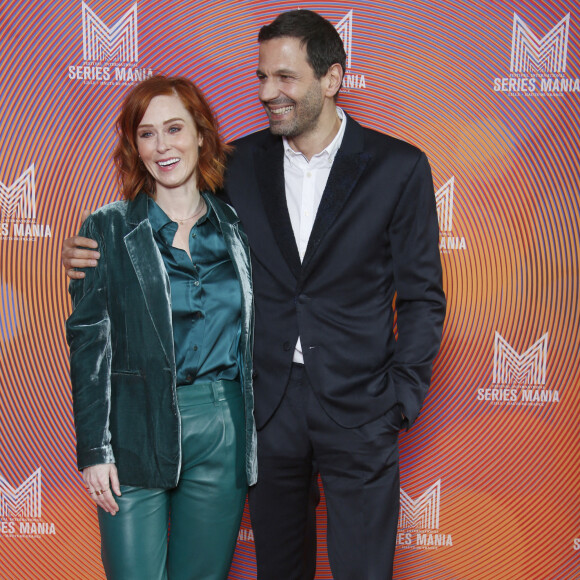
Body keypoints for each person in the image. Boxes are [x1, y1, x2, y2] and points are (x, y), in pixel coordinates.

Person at [63, 9, 445, 580]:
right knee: (280, 569)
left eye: (284, 78)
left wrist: (400, 398)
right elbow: (165, 208)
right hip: (265, 411)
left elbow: (422, 298)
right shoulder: (237, 165)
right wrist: (85, 253)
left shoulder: (399, 167)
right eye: (262, 77)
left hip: (363, 406)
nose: (268, 92)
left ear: (331, 79)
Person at [65, 75, 257, 580]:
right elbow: (89, 345)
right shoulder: (105, 228)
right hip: (135, 425)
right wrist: (94, 449)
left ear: (201, 134)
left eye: (174, 128)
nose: (162, 145)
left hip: (222, 423)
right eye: (146, 134)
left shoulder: (237, 227)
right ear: (133, 146)